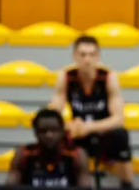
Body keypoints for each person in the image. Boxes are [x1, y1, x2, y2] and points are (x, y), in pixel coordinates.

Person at [49, 35, 134, 187]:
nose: (87, 60)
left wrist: (89, 127)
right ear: (75, 56)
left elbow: (118, 119)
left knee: (121, 135)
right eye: (82, 55)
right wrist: (69, 125)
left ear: (98, 57)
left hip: (103, 133)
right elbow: (52, 117)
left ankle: (127, 184)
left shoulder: (108, 78)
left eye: (91, 55)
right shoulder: (66, 77)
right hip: (79, 133)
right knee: (52, 135)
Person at [7, 108, 93, 188]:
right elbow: (10, 186)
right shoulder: (24, 153)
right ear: (36, 132)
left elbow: (85, 186)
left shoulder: (76, 155)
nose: (49, 135)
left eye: (54, 130)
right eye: (43, 131)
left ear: (62, 131)